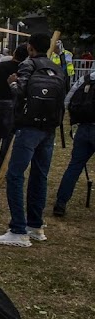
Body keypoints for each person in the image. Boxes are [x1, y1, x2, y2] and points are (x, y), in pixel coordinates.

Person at [0, 33, 67, 247]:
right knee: (39, 175)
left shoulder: (28, 65)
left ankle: (18, 229)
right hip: (49, 127)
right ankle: (35, 225)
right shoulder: (56, 68)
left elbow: (20, 91)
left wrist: (12, 83)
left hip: (28, 126)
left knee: (15, 176)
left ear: (30, 47)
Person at [53, 69, 95, 217]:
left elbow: (67, 101)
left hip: (83, 128)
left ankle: (60, 203)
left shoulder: (85, 79)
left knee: (74, 166)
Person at [0, 46, 26, 173]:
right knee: (7, 136)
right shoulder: (23, 70)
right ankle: (1, 166)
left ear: (14, 53)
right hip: (13, 103)